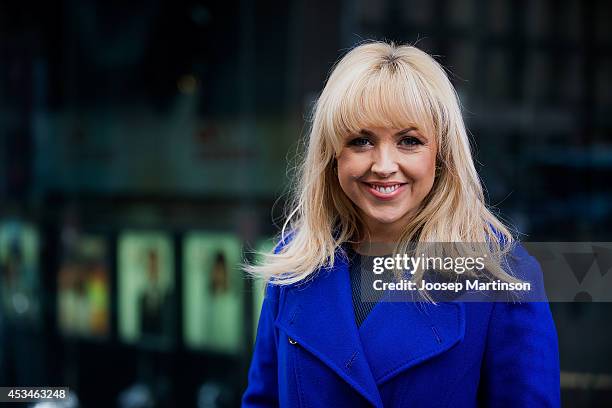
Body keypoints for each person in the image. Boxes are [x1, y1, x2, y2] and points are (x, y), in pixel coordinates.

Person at [242, 41, 560, 407]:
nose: (384, 165)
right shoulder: (295, 263)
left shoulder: (502, 277)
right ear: (332, 154)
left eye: (409, 141)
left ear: (441, 155)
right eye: (361, 141)